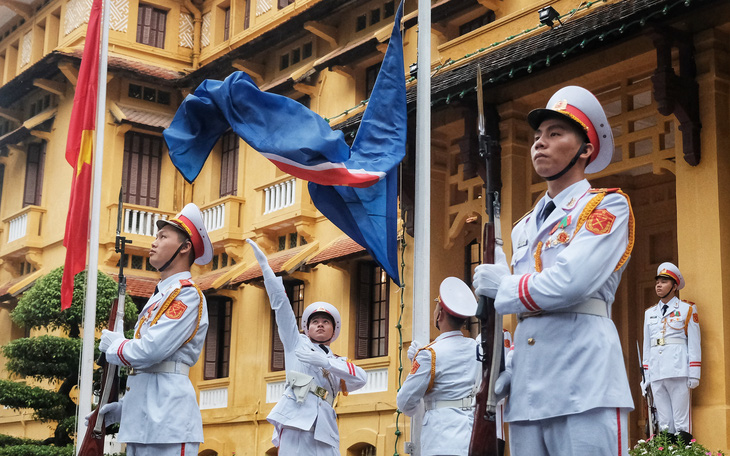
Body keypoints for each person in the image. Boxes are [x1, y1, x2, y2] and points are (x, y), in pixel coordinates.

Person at [473, 86, 635, 456]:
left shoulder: (606, 207)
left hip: (584, 381)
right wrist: (508, 366)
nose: (539, 144)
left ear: (586, 150)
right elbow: (529, 317)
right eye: (536, 137)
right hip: (529, 387)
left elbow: (571, 282)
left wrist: (506, 286)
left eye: (555, 134)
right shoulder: (523, 226)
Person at [96, 203, 213, 456]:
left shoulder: (186, 296)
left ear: (184, 247)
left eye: (162, 237)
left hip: (169, 420)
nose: (154, 242)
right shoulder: (159, 296)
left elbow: (152, 350)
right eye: (155, 236)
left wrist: (116, 345)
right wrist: (124, 407)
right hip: (143, 420)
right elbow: (149, 369)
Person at [246, 239, 367, 455]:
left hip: (324, 427)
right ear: (307, 328)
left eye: (325, 321)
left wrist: (327, 363)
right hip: (295, 419)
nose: (320, 324)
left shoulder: (338, 362)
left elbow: (361, 378)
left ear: (334, 330)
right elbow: (282, 308)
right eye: (315, 321)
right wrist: (267, 272)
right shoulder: (295, 342)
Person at [396, 277, 480, 456]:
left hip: (441, 439)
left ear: (440, 314)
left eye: (436, 306)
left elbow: (404, 402)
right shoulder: (476, 348)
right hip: (472, 436)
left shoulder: (429, 354)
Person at [641, 262, 700, 442]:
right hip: (657, 371)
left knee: (681, 422)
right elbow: (647, 345)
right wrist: (645, 375)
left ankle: (683, 451)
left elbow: (694, 343)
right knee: (664, 422)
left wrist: (694, 373)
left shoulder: (687, 309)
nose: (659, 285)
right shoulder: (649, 313)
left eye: (664, 281)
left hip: (678, 369)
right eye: (657, 281)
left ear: (674, 286)